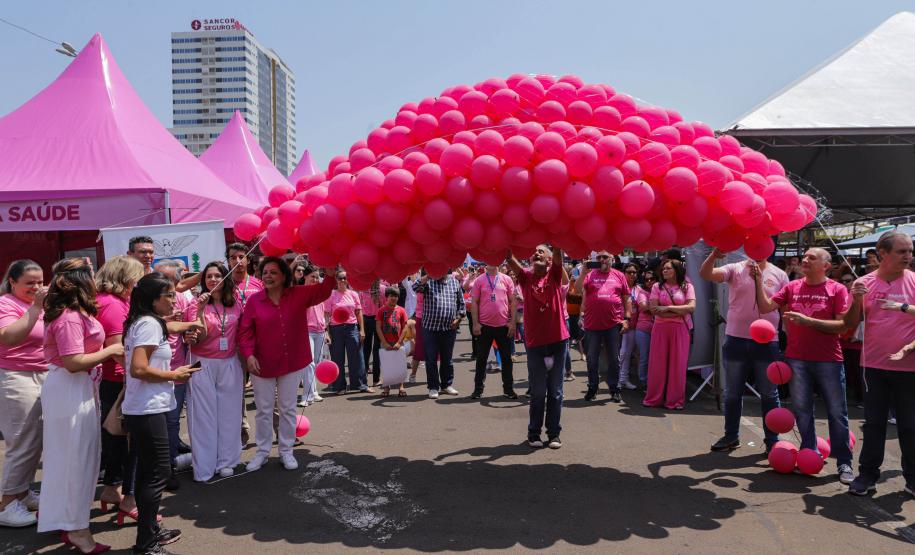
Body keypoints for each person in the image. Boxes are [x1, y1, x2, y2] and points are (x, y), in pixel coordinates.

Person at [39, 258, 123, 554]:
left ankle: (71, 521)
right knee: (75, 458)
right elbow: (73, 362)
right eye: (90, 274)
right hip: (69, 388)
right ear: (81, 279)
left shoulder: (76, 313)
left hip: (78, 388)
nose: (95, 279)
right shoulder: (69, 317)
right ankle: (76, 528)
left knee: (80, 456)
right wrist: (112, 349)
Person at [755, 248, 854, 484]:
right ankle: (810, 452)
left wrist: (808, 321)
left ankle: (844, 462)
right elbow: (765, 306)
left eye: (812, 258)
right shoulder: (792, 286)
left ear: (826, 266)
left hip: (829, 359)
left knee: (836, 412)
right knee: (802, 410)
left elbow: (842, 326)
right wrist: (758, 280)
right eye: (805, 257)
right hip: (796, 359)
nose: (805, 260)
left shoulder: (837, 289)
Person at [122, 273, 199, 554]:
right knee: (158, 473)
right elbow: (138, 369)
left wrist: (192, 321)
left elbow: (172, 326)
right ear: (154, 300)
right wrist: (174, 373)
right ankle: (145, 544)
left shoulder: (147, 322)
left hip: (146, 407)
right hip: (147, 409)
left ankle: (151, 531)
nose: (174, 299)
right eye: (169, 295)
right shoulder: (148, 326)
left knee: (148, 472)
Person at [239, 257, 335, 472]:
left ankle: (286, 451)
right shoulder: (254, 301)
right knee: (264, 410)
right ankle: (262, 452)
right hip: (261, 364)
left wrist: (329, 274)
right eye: (265, 272)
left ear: (284, 276)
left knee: (288, 408)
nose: (268, 276)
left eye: (273, 272)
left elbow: (323, 291)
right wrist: (249, 355)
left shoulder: (298, 295)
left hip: (292, 362)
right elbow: (245, 332)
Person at [844, 231, 915, 495]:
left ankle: (913, 478)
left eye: (910, 251)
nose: (908, 257)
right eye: (902, 251)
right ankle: (867, 476)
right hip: (873, 367)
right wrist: (857, 300)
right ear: (882, 253)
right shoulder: (864, 283)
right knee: (873, 424)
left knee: (910, 426)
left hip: (910, 369)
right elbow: (850, 323)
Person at [701, 247, 789, 453]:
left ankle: (772, 440)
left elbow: (784, 309)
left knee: (769, 393)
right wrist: (713, 255)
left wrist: (789, 338)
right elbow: (705, 274)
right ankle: (731, 436)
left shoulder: (780, 274)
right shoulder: (735, 268)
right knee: (732, 392)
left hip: (768, 343)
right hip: (736, 340)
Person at [94, 255, 145, 522]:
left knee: (117, 440)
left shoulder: (109, 301)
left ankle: (113, 489)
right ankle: (129, 497)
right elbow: (117, 349)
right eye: (136, 276)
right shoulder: (113, 305)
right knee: (133, 441)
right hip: (120, 379)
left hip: (116, 380)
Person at [186, 262, 245, 481]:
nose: (212, 279)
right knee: (203, 417)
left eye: (216, 275)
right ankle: (204, 466)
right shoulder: (196, 304)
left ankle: (227, 462)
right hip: (202, 363)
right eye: (208, 276)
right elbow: (198, 338)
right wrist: (200, 310)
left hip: (229, 363)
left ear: (225, 278)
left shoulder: (236, 303)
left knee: (230, 415)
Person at [0, 260, 47, 527]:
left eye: (40, 281)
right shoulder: (5, 304)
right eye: (30, 283)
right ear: (12, 282)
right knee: (21, 440)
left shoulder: (35, 304)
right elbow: (8, 337)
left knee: (36, 439)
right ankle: (7, 503)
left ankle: (22, 491)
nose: (37, 287)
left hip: (42, 374)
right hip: (16, 377)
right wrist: (37, 307)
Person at [507, 245, 569, 449]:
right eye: (534, 252)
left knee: (556, 392)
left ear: (550, 260)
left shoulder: (555, 275)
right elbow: (510, 258)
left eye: (542, 251)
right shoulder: (526, 277)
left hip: (558, 342)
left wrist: (556, 238)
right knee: (538, 392)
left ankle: (553, 434)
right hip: (535, 344)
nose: (537, 253)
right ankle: (534, 433)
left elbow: (559, 256)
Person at [153, 260, 195, 491]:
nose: (166, 284)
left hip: (177, 369)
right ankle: (161, 468)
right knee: (157, 423)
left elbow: (189, 329)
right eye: (161, 278)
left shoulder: (180, 299)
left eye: (170, 280)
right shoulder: (147, 301)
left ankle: (168, 466)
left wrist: (190, 335)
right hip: (152, 373)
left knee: (171, 421)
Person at [576, 251, 631, 403]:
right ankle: (592, 388)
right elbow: (578, 287)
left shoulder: (619, 275)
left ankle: (614, 389)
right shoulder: (590, 274)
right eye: (598, 257)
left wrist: (627, 318)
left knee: (614, 359)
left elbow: (627, 298)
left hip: (613, 324)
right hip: (592, 325)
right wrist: (583, 273)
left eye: (605, 257)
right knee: (592, 359)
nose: (601, 260)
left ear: (612, 259)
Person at [643, 259, 695, 410]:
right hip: (660, 328)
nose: (664, 271)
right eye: (663, 269)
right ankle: (654, 399)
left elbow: (691, 307)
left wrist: (667, 309)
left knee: (677, 365)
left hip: (680, 330)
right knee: (657, 365)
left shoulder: (687, 286)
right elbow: (653, 310)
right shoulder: (656, 287)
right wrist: (678, 311)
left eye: (668, 268)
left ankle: (675, 401)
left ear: (677, 271)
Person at [412, 269, 465, 398]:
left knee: (447, 359)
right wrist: (430, 274)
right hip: (430, 328)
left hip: (449, 329)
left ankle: (446, 385)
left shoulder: (454, 283)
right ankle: (433, 387)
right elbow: (415, 286)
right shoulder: (428, 282)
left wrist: (458, 319)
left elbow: (461, 305)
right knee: (431, 359)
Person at [469, 264, 518, 399]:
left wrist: (512, 322)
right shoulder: (479, 280)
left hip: (503, 326)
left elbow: (513, 301)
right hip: (484, 326)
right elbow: (474, 302)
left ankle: (508, 389)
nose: (493, 262)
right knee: (481, 359)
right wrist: (475, 323)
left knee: (507, 359)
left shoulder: (507, 279)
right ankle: (478, 389)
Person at [325, 270, 370, 393]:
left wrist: (362, 330)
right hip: (336, 329)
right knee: (337, 358)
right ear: (336, 279)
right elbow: (327, 315)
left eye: (345, 278)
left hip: (352, 327)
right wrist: (327, 333)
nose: (343, 280)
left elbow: (359, 312)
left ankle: (361, 385)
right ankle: (339, 387)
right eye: (340, 278)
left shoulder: (353, 294)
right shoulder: (331, 295)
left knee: (357, 357)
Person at [299, 265, 327, 407]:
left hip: (320, 330)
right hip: (306, 331)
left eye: (317, 277)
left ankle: (314, 392)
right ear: (305, 277)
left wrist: (326, 330)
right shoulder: (300, 292)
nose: (315, 279)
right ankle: (307, 395)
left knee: (316, 362)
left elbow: (324, 312)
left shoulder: (319, 293)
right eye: (312, 277)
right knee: (308, 363)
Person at [376, 286, 409, 397]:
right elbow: (378, 327)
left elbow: (405, 327)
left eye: (395, 296)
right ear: (387, 297)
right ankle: (386, 387)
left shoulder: (401, 310)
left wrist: (400, 342)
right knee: (386, 365)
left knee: (400, 364)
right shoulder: (381, 310)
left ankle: (401, 387)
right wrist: (384, 342)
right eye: (391, 296)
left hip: (398, 342)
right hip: (385, 342)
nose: (393, 298)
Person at [838, 272, 864, 409]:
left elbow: (860, 318)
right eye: (842, 280)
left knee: (858, 373)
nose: (845, 283)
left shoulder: (860, 297)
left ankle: (860, 398)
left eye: (848, 280)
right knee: (845, 372)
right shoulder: (841, 294)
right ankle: (849, 396)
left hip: (856, 342)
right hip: (842, 341)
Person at [617, 263, 642, 390]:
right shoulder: (618, 287)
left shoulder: (639, 289)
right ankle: (617, 380)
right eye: (629, 272)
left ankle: (623, 379)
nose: (632, 274)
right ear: (623, 273)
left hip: (633, 326)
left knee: (627, 353)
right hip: (618, 324)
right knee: (621, 353)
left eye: (634, 272)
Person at [632, 269, 656, 390]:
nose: (649, 281)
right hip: (643, 329)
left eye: (652, 279)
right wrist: (661, 307)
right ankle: (644, 381)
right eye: (647, 280)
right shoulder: (642, 293)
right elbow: (645, 307)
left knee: (656, 357)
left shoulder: (660, 291)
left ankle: (653, 381)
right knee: (644, 357)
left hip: (658, 330)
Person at [359, 281, 383, 388]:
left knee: (365, 350)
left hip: (365, 319)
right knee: (377, 350)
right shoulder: (382, 288)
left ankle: (363, 379)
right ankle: (376, 380)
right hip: (378, 320)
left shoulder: (363, 287)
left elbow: (359, 306)